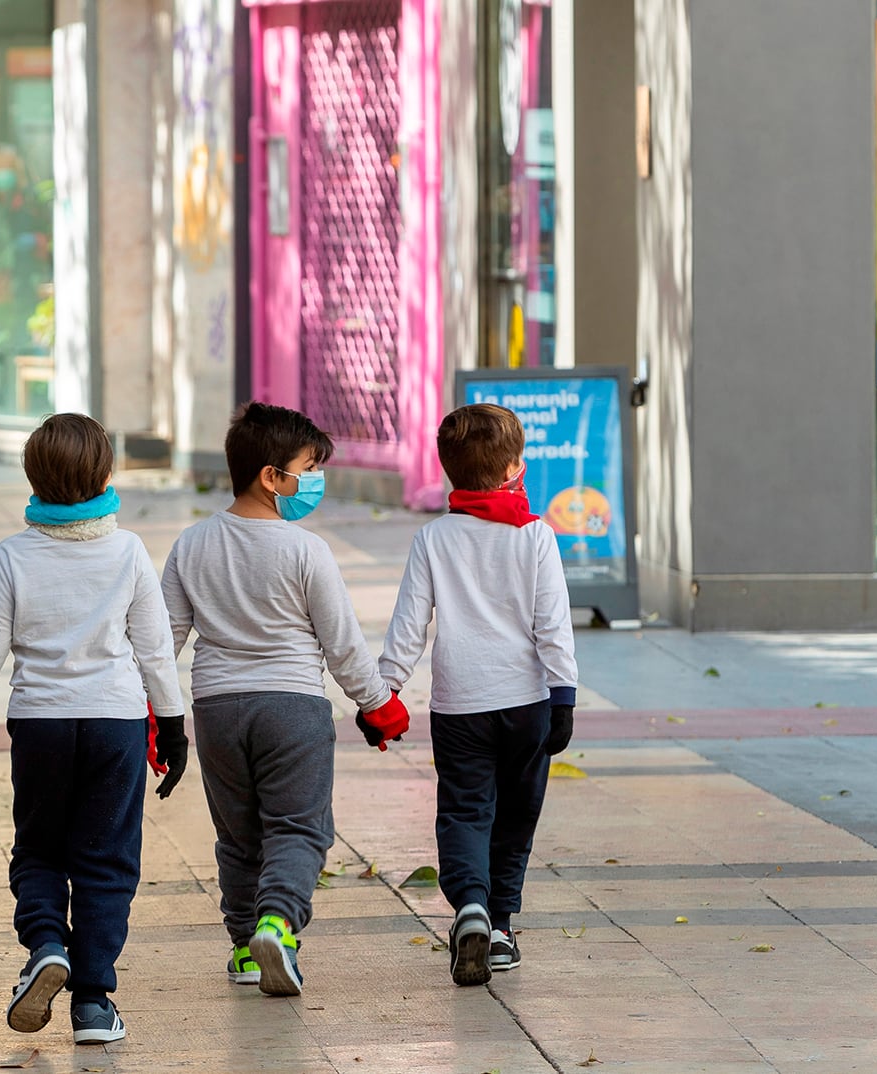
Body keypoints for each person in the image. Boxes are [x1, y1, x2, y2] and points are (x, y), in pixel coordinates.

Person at [0, 413, 186, 1045]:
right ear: (104, 474)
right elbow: (155, 650)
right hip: (116, 723)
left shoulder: (12, 556)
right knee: (107, 858)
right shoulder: (128, 551)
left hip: (40, 726)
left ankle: (47, 944)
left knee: (40, 847)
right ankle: (93, 1003)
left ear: (32, 477)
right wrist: (173, 726)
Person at [160, 402, 409, 997]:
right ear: (272, 476)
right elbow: (342, 645)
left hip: (217, 710)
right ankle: (277, 924)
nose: (316, 479)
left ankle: (246, 947)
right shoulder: (306, 550)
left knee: (238, 836)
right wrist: (378, 707)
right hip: (292, 706)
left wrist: (153, 713)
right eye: (309, 468)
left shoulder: (192, 544)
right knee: (299, 829)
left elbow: (161, 641)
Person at [374, 403, 578, 987]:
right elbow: (552, 624)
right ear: (514, 468)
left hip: (459, 705)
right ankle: (503, 928)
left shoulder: (433, 538)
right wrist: (563, 694)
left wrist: (385, 691)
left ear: (449, 469)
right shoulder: (536, 536)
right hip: (527, 703)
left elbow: (409, 626)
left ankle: (470, 907)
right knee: (516, 814)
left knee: (464, 810)